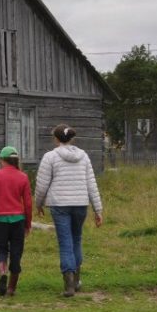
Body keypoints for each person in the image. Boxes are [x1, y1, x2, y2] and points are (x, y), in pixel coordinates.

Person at [34, 124, 104, 297]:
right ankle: (77, 280)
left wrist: (39, 203)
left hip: (59, 205)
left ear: (56, 139)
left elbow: (42, 184)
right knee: (76, 240)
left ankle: (69, 285)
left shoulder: (50, 157)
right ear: (71, 138)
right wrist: (98, 209)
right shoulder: (84, 156)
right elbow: (91, 184)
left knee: (65, 242)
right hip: (80, 204)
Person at [0, 146, 33, 297]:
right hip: (18, 221)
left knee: (2, 250)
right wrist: (28, 224)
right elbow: (28, 203)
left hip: (1, 221)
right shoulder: (23, 177)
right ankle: (11, 288)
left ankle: (3, 272)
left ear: (2, 160)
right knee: (16, 252)